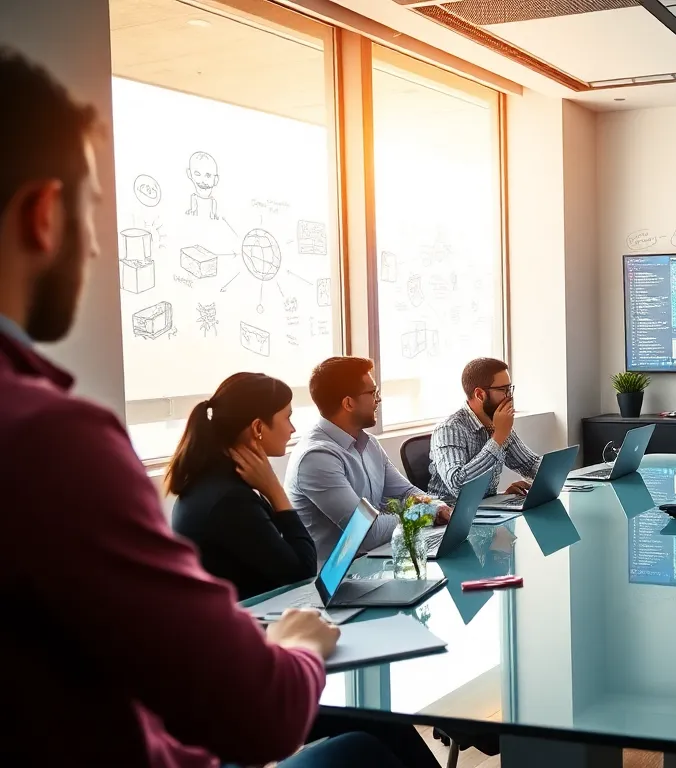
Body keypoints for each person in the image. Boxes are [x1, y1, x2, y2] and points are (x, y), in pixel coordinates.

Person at [0, 48, 403, 767]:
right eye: (93, 212)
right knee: (374, 750)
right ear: (44, 215)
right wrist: (298, 646)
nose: (94, 250)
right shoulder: (51, 444)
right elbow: (260, 717)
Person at [167, 373, 316, 600]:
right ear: (258, 427)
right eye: (287, 418)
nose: (292, 429)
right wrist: (275, 491)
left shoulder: (213, 480)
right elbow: (302, 572)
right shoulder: (230, 500)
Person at [285, 356, 449, 560]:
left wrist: (437, 506)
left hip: (378, 559)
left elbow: (405, 493)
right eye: (372, 393)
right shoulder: (317, 458)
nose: (378, 399)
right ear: (348, 403)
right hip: (341, 581)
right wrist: (428, 514)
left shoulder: (369, 443)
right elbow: (366, 533)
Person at [427, 357, 541, 503]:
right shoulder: (449, 429)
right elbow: (458, 485)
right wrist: (498, 437)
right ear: (480, 395)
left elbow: (530, 465)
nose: (510, 397)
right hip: (450, 517)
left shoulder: (497, 423)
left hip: (487, 512)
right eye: (503, 390)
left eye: (510, 389)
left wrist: (505, 496)